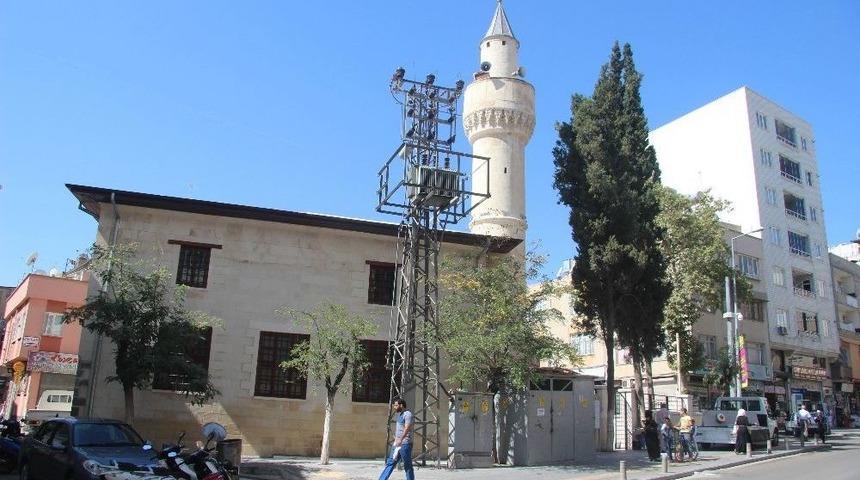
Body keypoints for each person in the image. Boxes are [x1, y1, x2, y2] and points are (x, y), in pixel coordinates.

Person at [379, 398, 414, 480]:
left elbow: (407, 428)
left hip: (405, 444)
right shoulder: (400, 414)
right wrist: (396, 438)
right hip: (397, 444)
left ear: (401, 405)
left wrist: (400, 439)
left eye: (396, 405)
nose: (394, 407)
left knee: (407, 465)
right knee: (390, 463)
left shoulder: (408, 414)